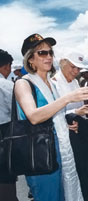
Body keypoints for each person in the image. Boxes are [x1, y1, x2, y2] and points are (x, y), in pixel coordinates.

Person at [15, 33, 88, 201]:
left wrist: (63, 125)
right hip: (41, 153)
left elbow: (52, 115)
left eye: (50, 52)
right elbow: (34, 116)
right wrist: (68, 98)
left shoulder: (52, 84)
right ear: (30, 59)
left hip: (60, 148)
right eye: (42, 53)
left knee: (65, 194)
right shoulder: (23, 83)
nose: (48, 56)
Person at [52, 51, 88, 201]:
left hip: (81, 130)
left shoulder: (75, 82)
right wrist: (74, 112)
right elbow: (55, 110)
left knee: (87, 168)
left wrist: (86, 109)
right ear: (63, 64)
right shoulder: (54, 83)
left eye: (78, 68)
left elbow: (77, 105)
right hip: (68, 132)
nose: (76, 71)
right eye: (72, 67)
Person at [0, 49, 18, 201]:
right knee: (5, 179)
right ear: (6, 66)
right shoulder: (7, 86)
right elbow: (17, 112)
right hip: (3, 135)